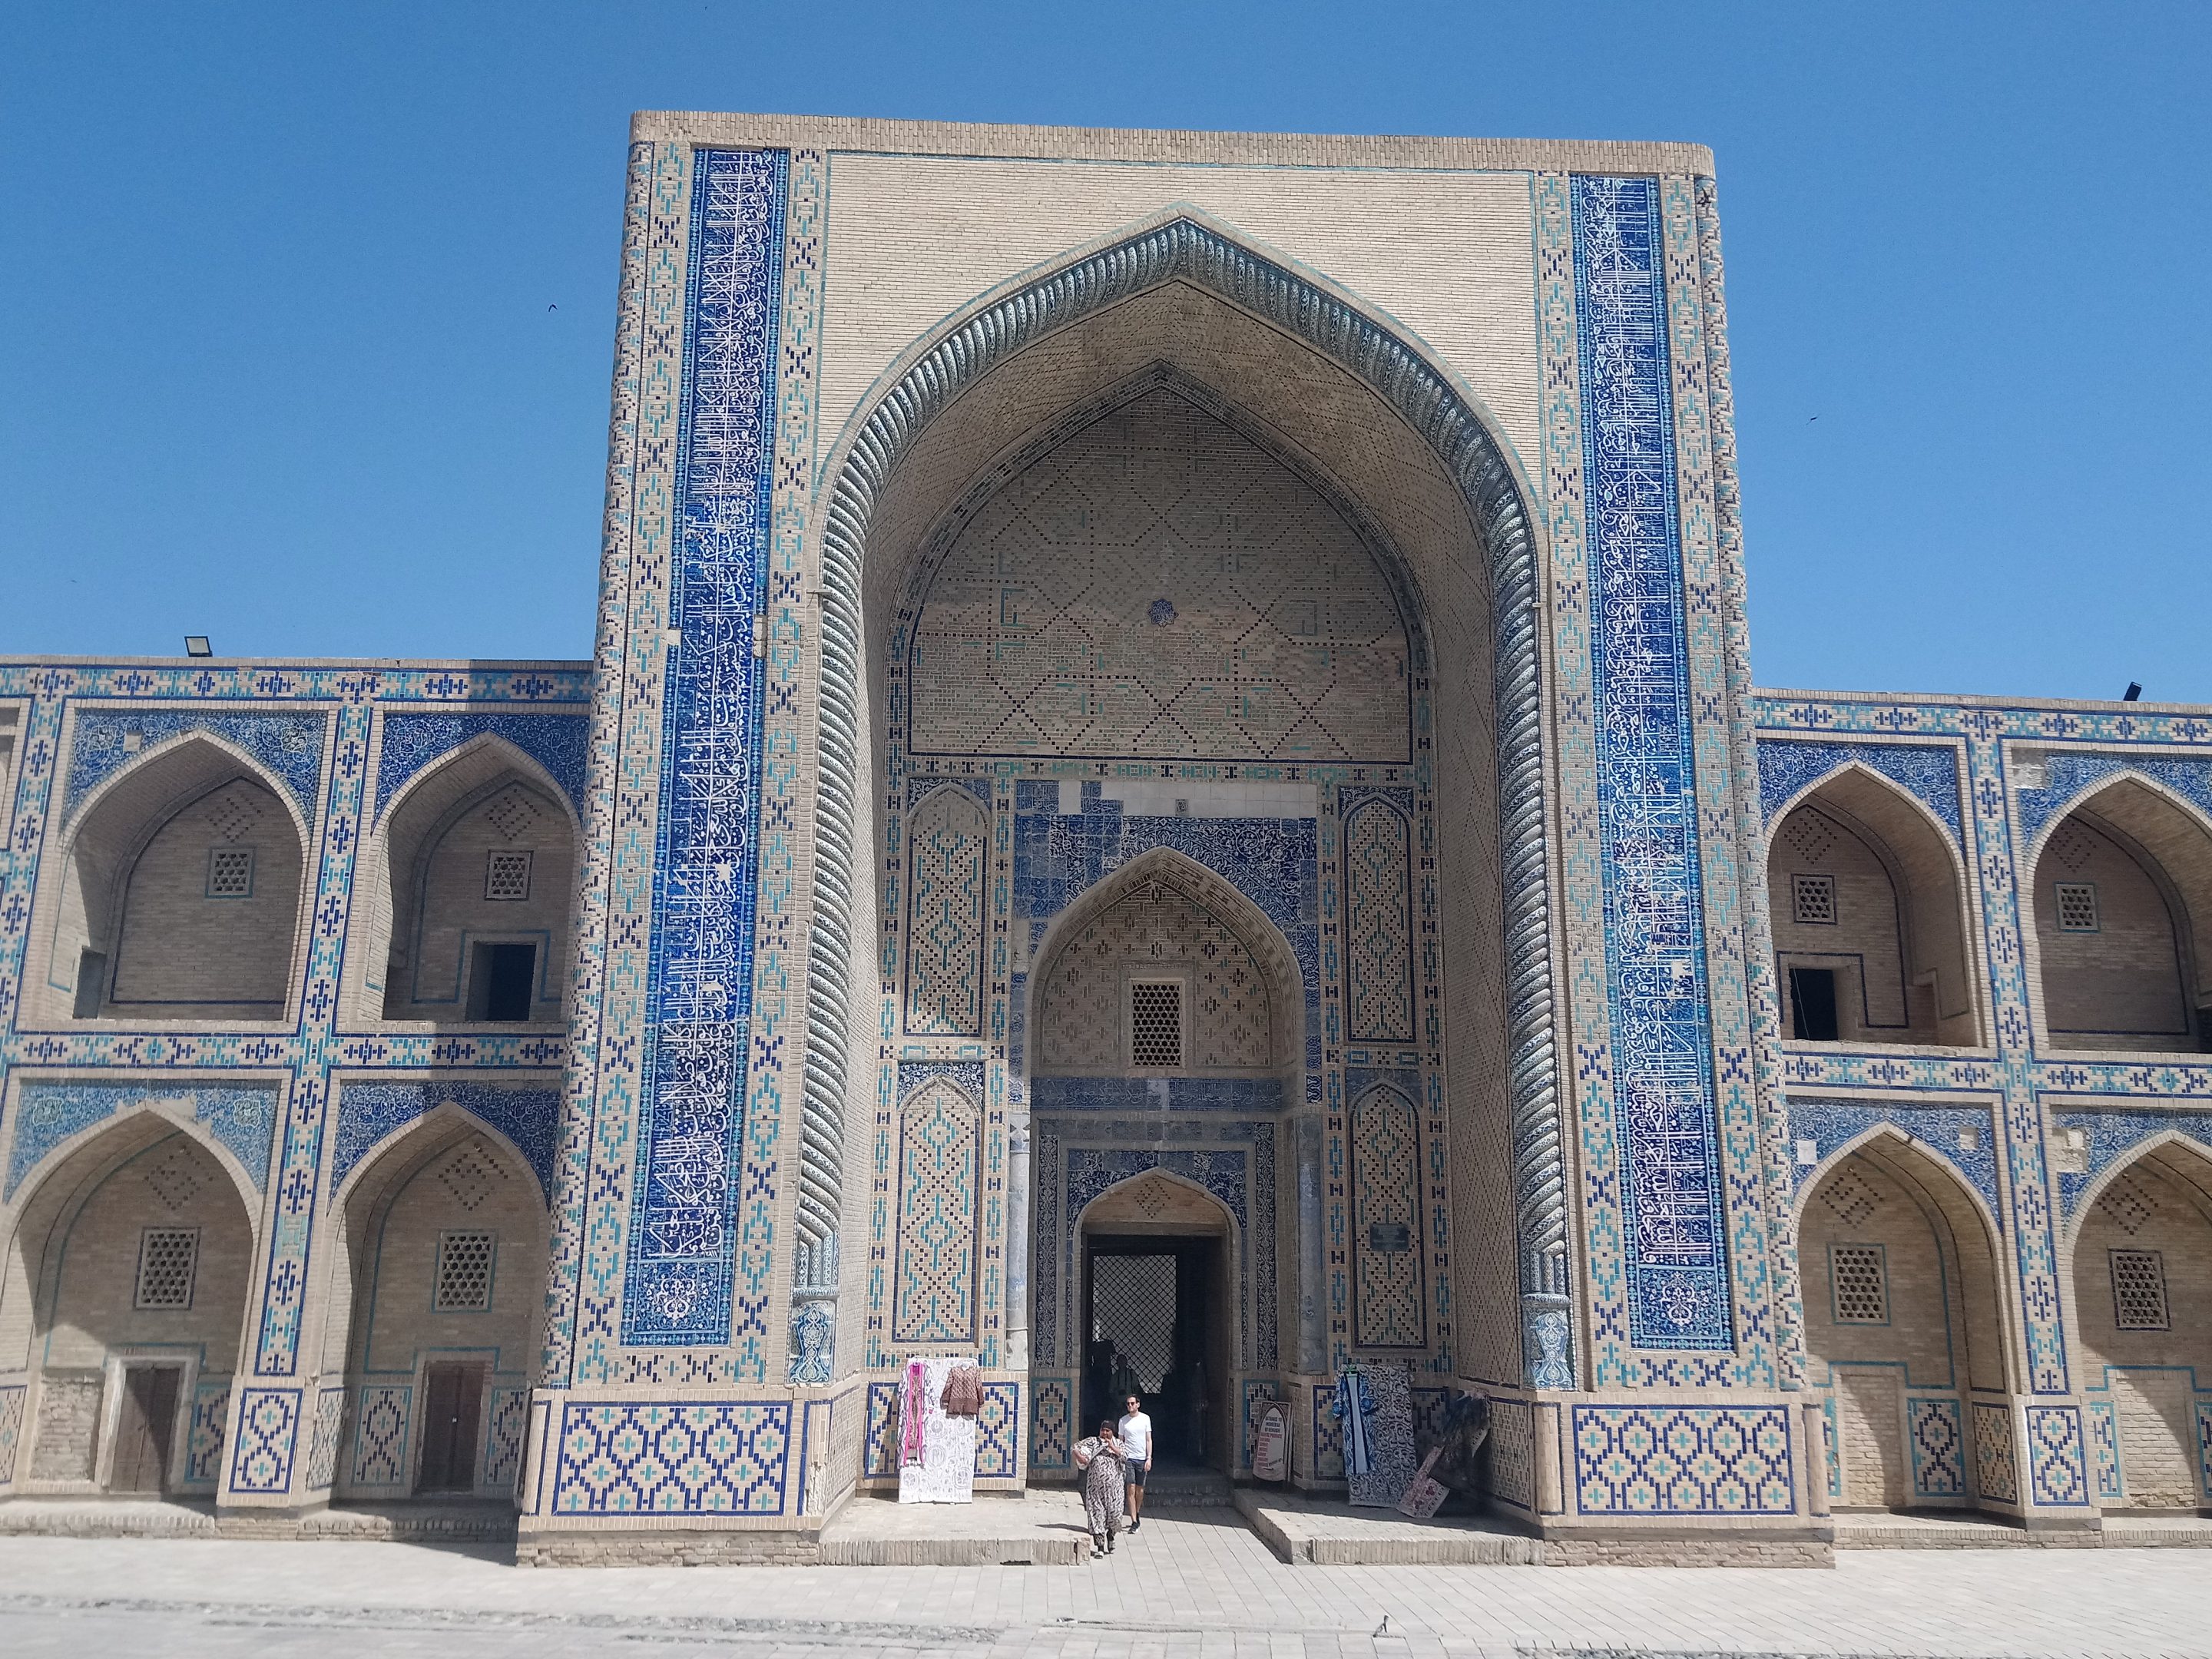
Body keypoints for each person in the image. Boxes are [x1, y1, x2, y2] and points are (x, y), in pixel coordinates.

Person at [1071, 1419, 1128, 1558]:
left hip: (1115, 1489)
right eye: (1103, 1430)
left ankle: (1111, 1535)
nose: (1104, 1433)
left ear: (1112, 1432)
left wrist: (1111, 1447)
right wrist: (1081, 1457)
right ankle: (1100, 1547)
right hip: (1095, 1489)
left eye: (1107, 1431)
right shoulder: (1092, 1442)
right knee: (1097, 1516)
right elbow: (1074, 1448)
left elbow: (1125, 1457)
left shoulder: (1119, 1443)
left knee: (1115, 1515)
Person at [1118, 1391, 1154, 1532]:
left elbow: (1148, 1439)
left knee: (1140, 1490)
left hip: (1142, 1458)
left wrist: (1149, 1458)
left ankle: (1137, 1512)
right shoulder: (1123, 1421)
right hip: (1129, 1458)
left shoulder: (1145, 1419)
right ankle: (1133, 1520)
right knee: (1130, 1488)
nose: (1130, 1406)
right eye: (1128, 1404)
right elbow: (1121, 1441)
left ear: (1138, 1405)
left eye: (1132, 1403)